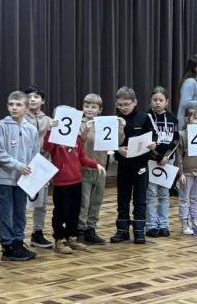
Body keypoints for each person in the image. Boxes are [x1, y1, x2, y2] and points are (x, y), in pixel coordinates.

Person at [0, 91, 39, 262]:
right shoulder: (1, 126)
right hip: (3, 177)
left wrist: (37, 175)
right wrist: (19, 166)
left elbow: (35, 154)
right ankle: (8, 245)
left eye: (18, 105)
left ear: (26, 108)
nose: (14, 107)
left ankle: (18, 242)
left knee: (20, 211)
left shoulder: (31, 129)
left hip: (22, 179)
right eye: (11, 104)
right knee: (5, 212)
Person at [42, 121, 101, 254]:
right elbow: (46, 147)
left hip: (76, 181)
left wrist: (95, 164)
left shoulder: (77, 139)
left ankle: (72, 237)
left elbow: (82, 158)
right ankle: (59, 239)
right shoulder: (55, 138)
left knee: (74, 212)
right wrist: (50, 129)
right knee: (61, 212)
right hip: (61, 183)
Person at [111, 86, 156, 244]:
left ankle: (139, 231)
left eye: (126, 104)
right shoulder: (115, 119)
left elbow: (154, 136)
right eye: (120, 105)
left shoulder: (145, 117)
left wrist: (153, 144)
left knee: (140, 199)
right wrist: (118, 149)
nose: (123, 108)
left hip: (141, 165)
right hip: (123, 165)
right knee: (122, 198)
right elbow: (109, 141)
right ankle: (122, 231)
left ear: (135, 102)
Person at [144, 86, 178, 237]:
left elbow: (176, 140)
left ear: (167, 102)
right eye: (155, 100)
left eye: (161, 100)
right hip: (151, 160)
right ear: (151, 101)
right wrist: (158, 157)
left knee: (164, 194)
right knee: (151, 194)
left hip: (167, 161)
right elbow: (146, 141)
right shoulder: (146, 118)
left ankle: (164, 224)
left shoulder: (172, 119)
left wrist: (167, 156)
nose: (157, 102)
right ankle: (151, 225)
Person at [76, 93, 110, 245]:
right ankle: (80, 230)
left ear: (100, 110)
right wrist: (86, 130)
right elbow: (78, 142)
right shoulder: (79, 123)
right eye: (87, 106)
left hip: (101, 167)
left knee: (96, 200)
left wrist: (121, 128)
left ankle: (91, 229)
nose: (89, 109)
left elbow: (117, 141)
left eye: (93, 107)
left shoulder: (104, 124)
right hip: (84, 168)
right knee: (84, 201)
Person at [24, 86, 52, 249]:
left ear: (43, 101)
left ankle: (37, 233)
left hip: (42, 164)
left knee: (41, 203)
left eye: (36, 97)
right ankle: (18, 236)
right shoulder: (20, 117)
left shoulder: (48, 120)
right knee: (22, 203)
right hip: (25, 164)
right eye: (29, 97)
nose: (33, 99)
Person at [176, 105, 197, 234]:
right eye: (195, 118)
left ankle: (195, 221)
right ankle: (184, 223)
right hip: (187, 172)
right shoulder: (182, 135)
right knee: (184, 198)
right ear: (187, 119)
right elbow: (178, 156)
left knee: (195, 198)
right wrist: (180, 173)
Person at [177, 55, 197, 131]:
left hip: (194, 121)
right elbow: (185, 102)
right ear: (194, 67)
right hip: (186, 123)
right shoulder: (190, 82)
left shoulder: (196, 83)